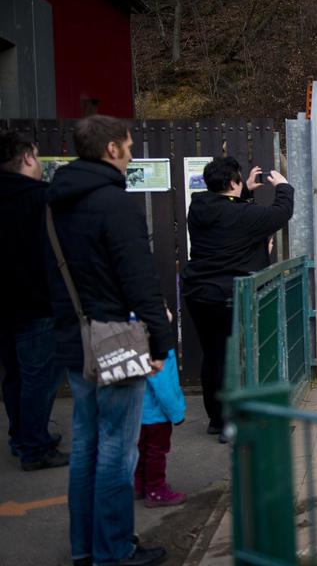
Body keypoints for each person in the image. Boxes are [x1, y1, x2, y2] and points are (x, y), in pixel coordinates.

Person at [45, 115, 173, 566]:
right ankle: (114, 551)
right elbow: (140, 279)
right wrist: (161, 342)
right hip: (115, 337)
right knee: (118, 448)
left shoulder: (53, 203)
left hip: (72, 336)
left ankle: (86, 548)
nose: (133, 152)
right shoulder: (114, 205)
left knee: (85, 446)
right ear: (112, 149)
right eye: (129, 145)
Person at [181, 157, 293, 442]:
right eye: (240, 180)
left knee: (214, 355)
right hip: (228, 295)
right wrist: (283, 187)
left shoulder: (199, 207)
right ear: (233, 182)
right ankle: (234, 423)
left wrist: (245, 193)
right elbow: (281, 213)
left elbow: (228, 212)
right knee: (235, 357)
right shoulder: (243, 215)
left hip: (198, 293)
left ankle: (217, 419)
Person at [0, 129, 69, 471]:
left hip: (6, 305)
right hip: (37, 302)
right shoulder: (41, 198)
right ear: (27, 157)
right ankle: (35, 447)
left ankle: (20, 436)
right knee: (39, 378)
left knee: (14, 374)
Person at [134, 336, 186, 507]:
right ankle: (156, 489)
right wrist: (176, 413)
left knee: (141, 448)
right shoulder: (159, 346)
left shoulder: (134, 340)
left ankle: (139, 484)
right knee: (157, 451)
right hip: (157, 413)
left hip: (139, 411)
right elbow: (163, 386)